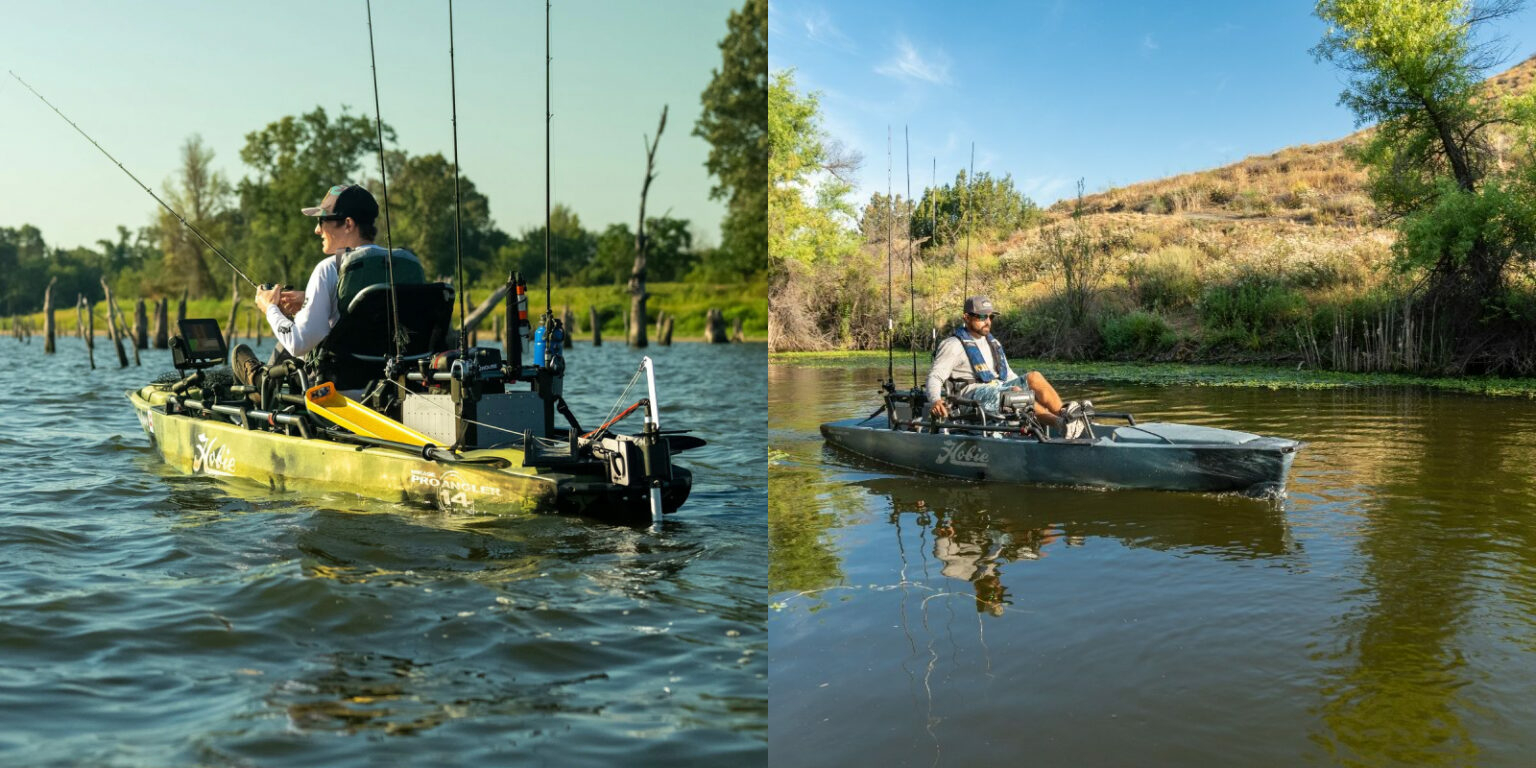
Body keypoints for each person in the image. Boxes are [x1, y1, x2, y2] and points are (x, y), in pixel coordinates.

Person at [231, 183, 424, 391]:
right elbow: (371, 315)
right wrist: (311, 299)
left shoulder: (329, 268)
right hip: (396, 389)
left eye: (322, 221)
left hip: (337, 391)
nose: (317, 230)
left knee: (240, 355)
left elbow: (298, 343)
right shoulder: (406, 264)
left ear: (348, 224)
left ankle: (261, 387)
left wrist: (270, 308)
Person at [924, 296, 1088, 437]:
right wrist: (936, 401)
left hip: (999, 388)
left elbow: (1008, 376)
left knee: (1034, 377)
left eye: (991, 317)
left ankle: (1066, 414)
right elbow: (934, 377)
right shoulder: (953, 345)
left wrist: (1025, 389)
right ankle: (1059, 424)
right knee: (1014, 393)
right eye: (982, 317)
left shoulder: (993, 343)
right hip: (969, 398)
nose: (988, 321)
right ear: (966, 317)